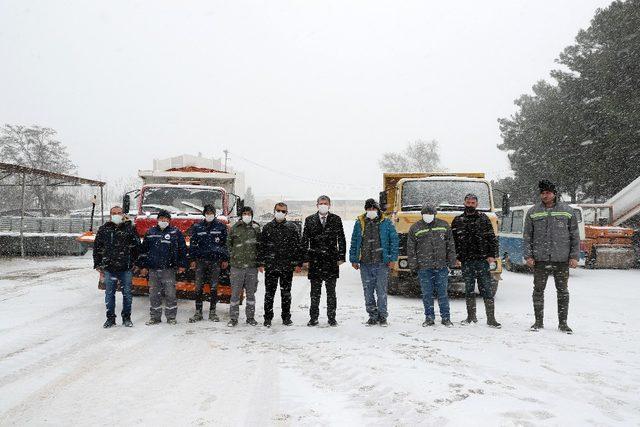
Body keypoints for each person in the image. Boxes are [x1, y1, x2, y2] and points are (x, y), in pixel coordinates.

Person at [524, 179, 580, 334]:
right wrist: (528, 255)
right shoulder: (533, 211)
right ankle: (538, 322)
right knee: (538, 291)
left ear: (554, 194)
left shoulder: (567, 211)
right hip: (540, 259)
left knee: (562, 291)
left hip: (561, 259)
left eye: (548, 192)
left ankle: (563, 323)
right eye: (542, 193)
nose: (545, 195)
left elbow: (575, 235)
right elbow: (527, 236)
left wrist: (574, 256)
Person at [451, 193, 501, 328]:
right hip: (466, 261)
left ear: (477, 204)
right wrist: (455, 257)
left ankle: (491, 319)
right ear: (464, 203)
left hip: (482, 260)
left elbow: (492, 238)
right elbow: (453, 241)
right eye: (468, 203)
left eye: (473, 203)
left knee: (487, 290)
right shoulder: (458, 220)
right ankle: (471, 317)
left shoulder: (484, 219)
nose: (470, 205)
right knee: (469, 289)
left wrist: (492, 254)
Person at [349, 198, 399, 326]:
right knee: (368, 291)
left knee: (381, 291)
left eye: (373, 208)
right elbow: (354, 241)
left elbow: (394, 241)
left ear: (377, 209)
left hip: (382, 263)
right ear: (365, 210)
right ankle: (372, 315)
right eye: (369, 209)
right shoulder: (360, 223)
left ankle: (383, 316)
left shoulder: (386, 222)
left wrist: (393, 258)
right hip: (365, 263)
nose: (371, 211)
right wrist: (354, 259)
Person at [407, 205, 457, 327]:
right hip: (424, 267)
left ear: (435, 214)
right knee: (427, 294)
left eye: (430, 213)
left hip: (441, 267)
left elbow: (450, 245)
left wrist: (451, 262)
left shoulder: (444, 225)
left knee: (442, 293)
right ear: (422, 214)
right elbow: (411, 249)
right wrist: (413, 266)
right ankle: (429, 317)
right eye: (425, 213)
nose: (428, 215)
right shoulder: (415, 227)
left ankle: (446, 318)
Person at [301, 195, 346, 327]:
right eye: (321, 203)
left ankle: (332, 318)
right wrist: (305, 259)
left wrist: (341, 257)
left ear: (329, 205)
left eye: (325, 203)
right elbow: (305, 240)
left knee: (331, 292)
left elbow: (341, 239)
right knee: (315, 292)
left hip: (331, 260)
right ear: (317, 205)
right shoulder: (310, 220)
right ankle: (313, 318)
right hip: (315, 260)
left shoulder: (336, 219)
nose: (323, 205)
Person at [93, 206, 141, 328]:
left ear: (123, 214)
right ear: (110, 215)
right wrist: (98, 264)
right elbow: (97, 247)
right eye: (114, 213)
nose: (116, 215)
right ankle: (110, 319)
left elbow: (137, 247)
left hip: (126, 268)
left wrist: (137, 263)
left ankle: (126, 318)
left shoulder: (130, 228)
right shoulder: (104, 229)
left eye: (119, 213)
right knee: (109, 295)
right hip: (109, 268)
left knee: (127, 295)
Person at [138, 209, 188, 325]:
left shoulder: (175, 233)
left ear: (169, 220)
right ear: (157, 220)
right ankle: (155, 317)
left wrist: (182, 264)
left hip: (169, 269)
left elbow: (182, 249)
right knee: (154, 294)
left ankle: (171, 317)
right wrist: (143, 266)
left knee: (170, 294)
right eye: (161, 219)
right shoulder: (150, 232)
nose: (163, 221)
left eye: (166, 219)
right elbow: (144, 251)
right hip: (153, 269)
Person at [259, 202, 303, 327]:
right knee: (269, 294)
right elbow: (262, 247)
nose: (280, 213)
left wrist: (298, 263)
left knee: (286, 294)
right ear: (274, 211)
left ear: (286, 213)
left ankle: (286, 317)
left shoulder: (292, 228)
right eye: (278, 210)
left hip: (286, 266)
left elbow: (297, 247)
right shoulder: (267, 227)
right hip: (271, 266)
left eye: (283, 211)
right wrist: (261, 263)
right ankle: (268, 318)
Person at [187, 204, 229, 323]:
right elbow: (193, 244)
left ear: (214, 214)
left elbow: (225, 244)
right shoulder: (197, 227)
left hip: (215, 261)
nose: (209, 214)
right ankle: (198, 312)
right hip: (200, 261)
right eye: (207, 212)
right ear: (204, 214)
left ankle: (212, 312)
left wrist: (225, 259)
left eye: (211, 212)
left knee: (214, 287)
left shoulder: (221, 227)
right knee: (198, 287)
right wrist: (192, 260)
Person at [227, 206, 262, 327]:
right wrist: (233, 256)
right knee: (235, 294)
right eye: (245, 213)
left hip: (252, 267)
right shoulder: (234, 228)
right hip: (237, 267)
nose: (247, 215)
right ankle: (233, 318)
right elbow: (228, 244)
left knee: (251, 294)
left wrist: (259, 263)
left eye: (249, 213)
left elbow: (260, 247)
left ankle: (250, 318)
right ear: (241, 215)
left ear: (252, 215)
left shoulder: (256, 229)